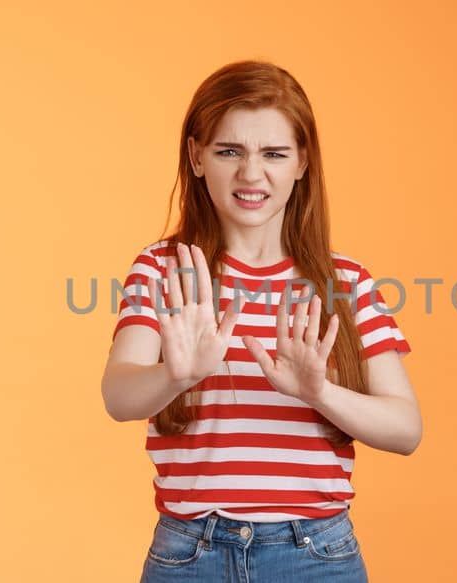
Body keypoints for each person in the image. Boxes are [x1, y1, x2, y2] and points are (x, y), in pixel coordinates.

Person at [100, 60, 421, 582]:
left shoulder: (346, 280)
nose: (252, 174)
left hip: (315, 556)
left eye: (274, 153)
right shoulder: (164, 269)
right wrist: (175, 375)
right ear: (197, 157)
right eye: (230, 151)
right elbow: (117, 396)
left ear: (302, 163)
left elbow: (406, 430)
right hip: (189, 555)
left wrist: (319, 392)